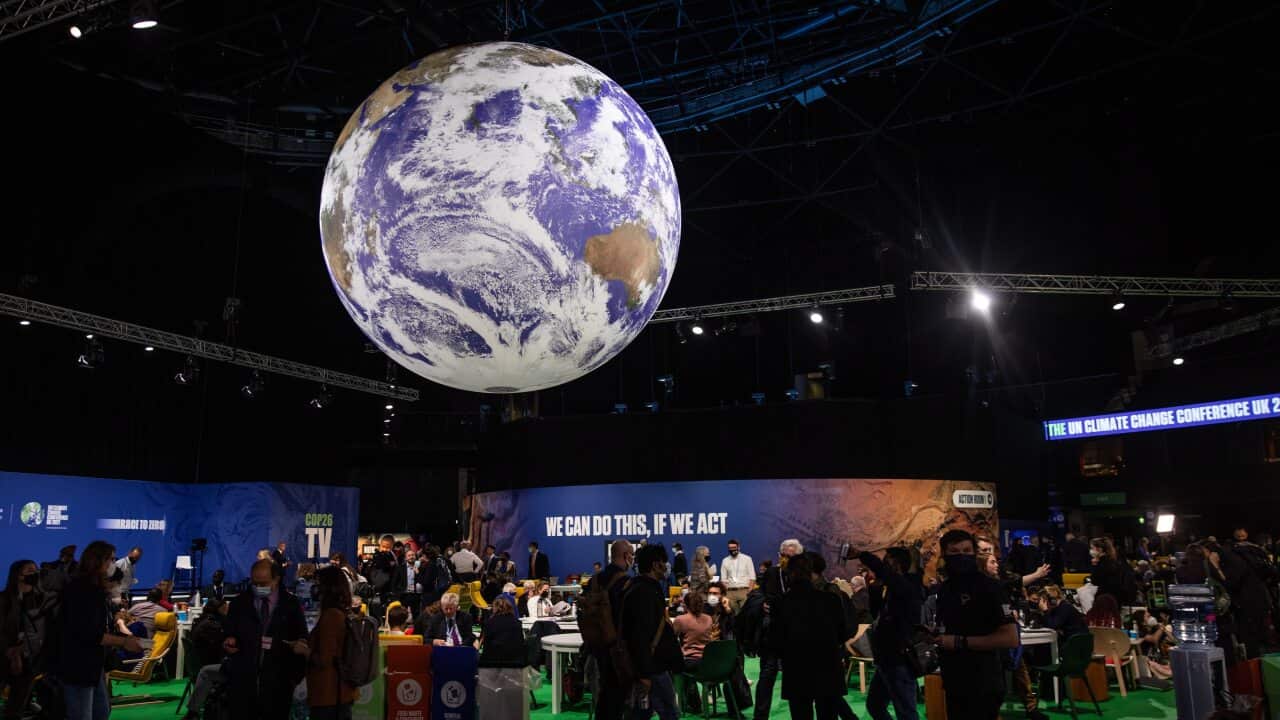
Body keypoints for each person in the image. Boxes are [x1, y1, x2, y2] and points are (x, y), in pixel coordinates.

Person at [933, 530, 1019, 720]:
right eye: (954, 552)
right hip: (954, 679)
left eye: (966, 550)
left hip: (983, 681)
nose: (961, 556)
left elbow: (1011, 638)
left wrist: (959, 642)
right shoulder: (946, 589)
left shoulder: (990, 588)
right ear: (945, 555)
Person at [55, 541, 145, 720]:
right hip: (78, 665)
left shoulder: (96, 592)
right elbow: (89, 633)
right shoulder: (82, 590)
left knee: (102, 712)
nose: (114, 563)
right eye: (111, 559)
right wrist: (124, 642)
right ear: (97, 560)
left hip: (93, 666)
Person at [222, 558, 308, 720]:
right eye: (255, 583)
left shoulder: (291, 605)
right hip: (243, 683)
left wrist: (293, 678)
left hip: (278, 683)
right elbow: (228, 632)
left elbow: (302, 637)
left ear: (276, 579)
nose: (258, 588)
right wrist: (228, 640)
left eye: (263, 583)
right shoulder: (239, 603)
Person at [776, 553, 845, 720]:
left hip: (797, 670)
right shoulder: (831, 600)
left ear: (791, 574)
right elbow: (842, 633)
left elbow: (776, 641)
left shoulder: (782, 603)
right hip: (828, 668)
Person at [620, 543, 683, 720]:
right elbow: (639, 637)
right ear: (656, 565)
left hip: (650, 666)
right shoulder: (644, 593)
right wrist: (644, 674)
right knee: (669, 713)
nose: (667, 566)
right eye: (664, 562)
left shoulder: (640, 588)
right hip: (652, 668)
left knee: (642, 713)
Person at [857, 547, 921, 720]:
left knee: (906, 712)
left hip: (898, 658)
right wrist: (875, 590)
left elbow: (885, 572)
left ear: (896, 564)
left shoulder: (907, 585)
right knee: (875, 706)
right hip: (885, 658)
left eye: (887, 560)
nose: (884, 563)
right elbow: (878, 613)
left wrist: (862, 555)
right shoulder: (891, 588)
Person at [754, 538, 802, 720]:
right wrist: (762, 605)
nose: (787, 559)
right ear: (779, 555)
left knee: (796, 681)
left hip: (794, 635)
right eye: (784, 555)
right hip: (772, 634)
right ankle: (760, 717)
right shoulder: (772, 573)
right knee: (767, 676)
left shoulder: (803, 576)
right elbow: (758, 594)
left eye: (792, 556)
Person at [586, 539, 634, 720]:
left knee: (604, 697)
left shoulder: (594, 580)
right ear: (626, 556)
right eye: (632, 555)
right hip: (619, 649)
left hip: (596, 646)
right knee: (620, 700)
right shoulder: (626, 582)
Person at [0, 559, 45, 720]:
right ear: (18, 575)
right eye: (30, 570)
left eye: (36, 569)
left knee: (16, 705)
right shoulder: (4, 599)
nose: (35, 573)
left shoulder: (41, 599)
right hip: (5, 657)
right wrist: (12, 653)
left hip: (30, 660)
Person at [671, 592, 716, 671]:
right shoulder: (709, 618)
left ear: (685, 605)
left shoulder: (680, 619)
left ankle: (679, 683)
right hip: (708, 660)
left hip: (689, 660)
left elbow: (671, 640)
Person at [479, 596, 525, 666]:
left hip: (494, 660)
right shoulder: (517, 622)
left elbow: (486, 645)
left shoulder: (490, 622)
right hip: (515, 660)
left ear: (495, 608)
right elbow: (520, 641)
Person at [1088, 537, 1135, 605]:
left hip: (1105, 598)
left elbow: (1095, 581)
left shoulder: (1102, 563)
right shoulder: (1113, 561)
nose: (1091, 550)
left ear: (1100, 549)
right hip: (1117, 597)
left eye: (1092, 548)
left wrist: (1094, 565)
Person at [720, 540, 755, 610]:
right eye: (730, 548)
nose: (732, 549)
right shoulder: (725, 560)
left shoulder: (747, 559)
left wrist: (749, 591)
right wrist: (727, 592)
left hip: (744, 591)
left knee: (745, 615)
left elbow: (752, 577)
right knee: (732, 616)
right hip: (730, 592)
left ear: (738, 547)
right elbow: (723, 579)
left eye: (734, 547)